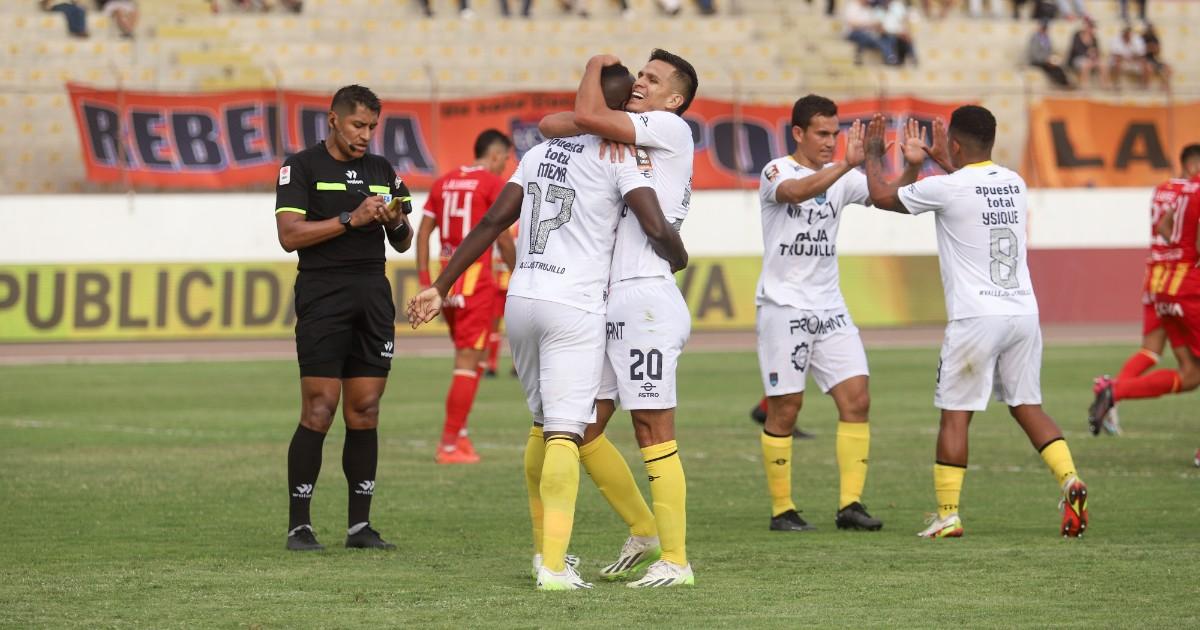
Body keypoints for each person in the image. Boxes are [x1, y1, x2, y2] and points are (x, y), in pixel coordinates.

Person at [407, 63, 687, 591]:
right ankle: (555, 568)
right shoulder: (617, 154)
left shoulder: (537, 153)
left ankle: (545, 555)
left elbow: (492, 223)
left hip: (522, 301)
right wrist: (678, 254)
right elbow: (652, 223)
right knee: (566, 430)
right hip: (574, 303)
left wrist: (440, 286)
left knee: (541, 426)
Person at [862, 106, 1089, 539]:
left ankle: (948, 514)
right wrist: (938, 158)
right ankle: (1070, 480)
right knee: (1027, 407)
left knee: (955, 415)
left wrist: (875, 152)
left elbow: (882, 197)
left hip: (976, 316)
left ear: (958, 144)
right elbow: (969, 184)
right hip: (1022, 312)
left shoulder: (947, 188)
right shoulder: (1013, 182)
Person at [537, 48, 699, 587]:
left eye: (652, 79)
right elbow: (553, 123)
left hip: (646, 297)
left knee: (652, 426)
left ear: (675, 99)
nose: (641, 83)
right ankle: (644, 528)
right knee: (583, 429)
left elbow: (581, 118)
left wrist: (592, 76)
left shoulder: (671, 129)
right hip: (609, 300)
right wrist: (598, 122)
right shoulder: (630, 132)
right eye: (640, 76)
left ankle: (676, 561)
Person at [274, 85, 414, 552]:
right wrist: (350, 219)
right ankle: (300, 525)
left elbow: (403, 240)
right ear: (333, 119)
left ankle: (359, 528)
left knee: (365, 411)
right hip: (323, 293)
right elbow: (290, 236)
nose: (366, 135)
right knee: (319, 409)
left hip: (373, 295)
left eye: (372, 127)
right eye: (358, 125)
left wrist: (394, 219)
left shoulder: (382, 170)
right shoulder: (302, 166)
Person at [753, 95, 892, 535]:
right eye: (822, 134)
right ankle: (783, 510)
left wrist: (891, 163)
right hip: (784, 306)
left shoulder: (842, 175)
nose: (831, 142)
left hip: (830, 306)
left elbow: (886, 196)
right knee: (786, 410)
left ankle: (850, 504)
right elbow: (797, 191)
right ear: (798, 134)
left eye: (835, 133)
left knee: (858, 400)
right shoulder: (777, 170)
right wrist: (847, 166)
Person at [1089, 145, 1200, 448]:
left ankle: (1114, 393)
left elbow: (1164, 226)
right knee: (1159, 354)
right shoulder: (1194, 190)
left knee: (1173, 363)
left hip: (1159, 276)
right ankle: (1114, 394)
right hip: (1187, 282)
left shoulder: (1165, 189)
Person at [417, 130, 516, 464]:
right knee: (467, 364)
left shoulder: (443, 182)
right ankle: (448, 445)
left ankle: (459, 436)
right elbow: (501, 238)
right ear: (497, 155)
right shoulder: (490, 184)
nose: (505, 166)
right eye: (505, 159)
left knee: (467, 362)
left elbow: (423, 233)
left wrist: (426, 282)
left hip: (446, 285)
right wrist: (518, 273)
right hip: (475, 282)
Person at [844, 0, 898, 66]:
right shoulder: (853, 6)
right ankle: (889, 57)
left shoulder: (868, 8)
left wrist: (877, 27)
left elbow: (872, 23)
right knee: (865, 37)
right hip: (853, 33)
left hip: (868, 34)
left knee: (886, 37)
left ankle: (890, 57)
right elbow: (852, 24)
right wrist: (868, 25)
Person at [1028, 19, 1072, 88]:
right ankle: (1062, 84)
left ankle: (1065, 83)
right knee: (1051, 68)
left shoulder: (1047, 38)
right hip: (1037, 61)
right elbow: (1034, 54)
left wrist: (1054, 57)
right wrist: (1046, 59)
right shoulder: (1035, 38)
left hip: (1047, 60)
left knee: (1058, 67)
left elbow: (1051, 50)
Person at [1067, 18, 1105, 88]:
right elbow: (1075, 50)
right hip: (1077, 59)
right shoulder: (1077, 35)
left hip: (1091, 59)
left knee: (1102, 64)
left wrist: (1094, 55)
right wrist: (1087, 53)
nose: (1090, 29)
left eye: (1092, 27)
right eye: (1089, 26)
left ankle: (1103, 84)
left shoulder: (1094, 38)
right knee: (1086, 63)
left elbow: (1097, 51)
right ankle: (1084, 85)